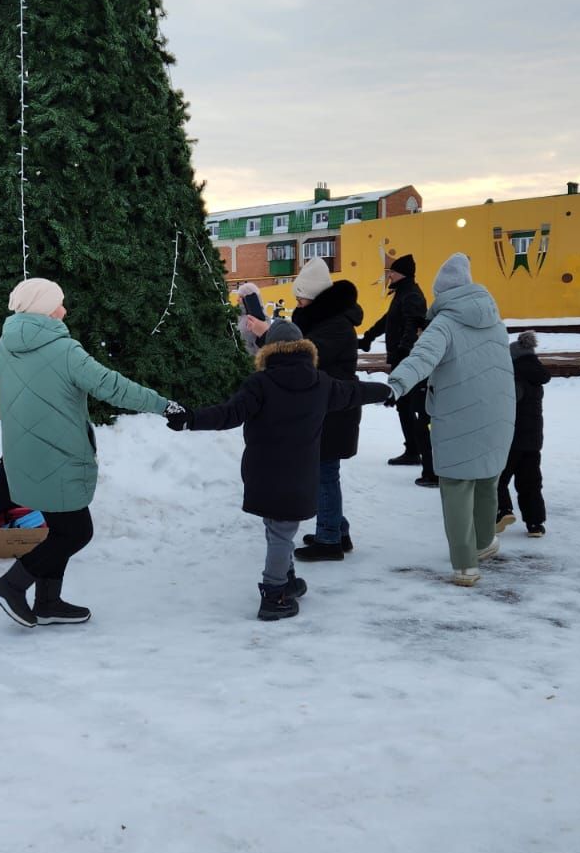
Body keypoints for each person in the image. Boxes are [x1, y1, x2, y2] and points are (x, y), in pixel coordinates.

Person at [0, 277, 173, 628]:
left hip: (22, 459)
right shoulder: (65, 351)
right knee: (76, 532)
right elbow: (112, 386)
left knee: (59, 529)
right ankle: (10, 586)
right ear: (45, 309)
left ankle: (48, 602)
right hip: (59, 456)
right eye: (60, 303)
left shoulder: (4, 348)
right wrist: (163, 406)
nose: (65, 309)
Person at [166, 320, 390, 621]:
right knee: (282, 529)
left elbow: (229, 414)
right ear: (305, 350)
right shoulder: (321, 383)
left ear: (270, 350)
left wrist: (191, 419)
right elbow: (354, 392)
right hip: (298, 475)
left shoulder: (259, 384)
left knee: (277, 527)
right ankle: (275, 595)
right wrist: (386, 392)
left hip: (263, 471)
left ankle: (285, 580)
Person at [385, 254, 515, 586]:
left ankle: (465, 565)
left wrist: (395, 386)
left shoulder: (444, 324)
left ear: (442, 293)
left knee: (456, 486)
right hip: (499, 413)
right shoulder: (495, 321)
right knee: (487, 478)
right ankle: (484, 544)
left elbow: (421, 358)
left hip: (459, 415)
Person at [246, 256, 366, 561]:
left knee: (324, 473)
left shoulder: (336, 325)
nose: (297, 301)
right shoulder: (320, 319)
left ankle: (329, 540)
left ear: (314, 297)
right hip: (325, 407)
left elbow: (306, 355)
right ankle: (336, 528)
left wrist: (267, 333)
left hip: (334, 409)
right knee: (323, 471)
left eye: (301, 296)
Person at [361, 254, 435, 484]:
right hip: (403, 360)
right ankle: (413, 449)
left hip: (408, 362)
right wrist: (368, 337)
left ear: (401, 273)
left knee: (411, 407)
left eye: (392, 272)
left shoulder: (411, 295)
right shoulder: (404, 293)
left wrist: (404, 352)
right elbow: (388, 320)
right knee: (404, 406)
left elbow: (413, 325)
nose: (389, 275)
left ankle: (418, 452)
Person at [497, 331, 551, 538]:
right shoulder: (536, 377)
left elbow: (508, 404)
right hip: (533, 440)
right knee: (530, 483)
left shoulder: (515, 377)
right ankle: (535, 523)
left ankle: (503, 511)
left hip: (512, 438)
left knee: (497, 478)